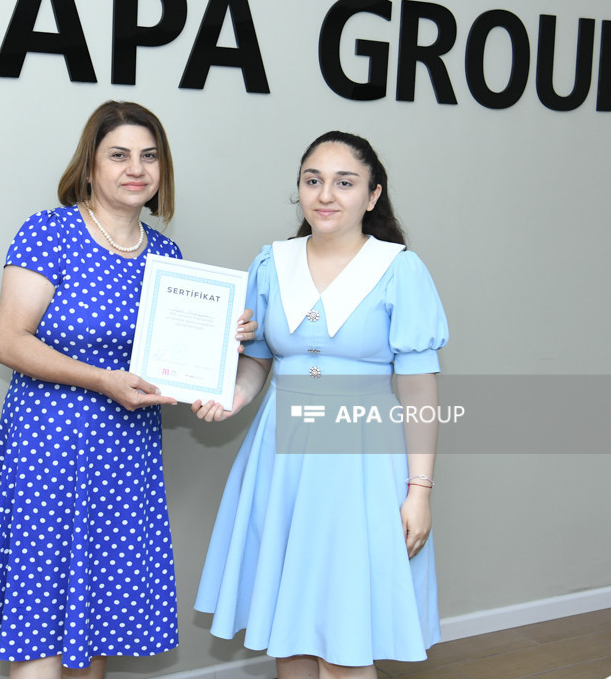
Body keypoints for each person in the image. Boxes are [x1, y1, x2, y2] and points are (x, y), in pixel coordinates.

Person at [0, 101, 255, 679]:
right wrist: (101, 380)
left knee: (97, 615)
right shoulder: (49, 232)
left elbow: (171, 361)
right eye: (119, 155)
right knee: (38, 612)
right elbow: (8, 341)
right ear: (91, 164)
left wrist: (228, 338)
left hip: (125, 454)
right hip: (48, 446)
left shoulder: (167, 256)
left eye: (149, 156)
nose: (136, 169)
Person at [191, 131, 448, 679]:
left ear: (372, 196)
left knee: (343, 642)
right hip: (281, 456)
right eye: (313, 181)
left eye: (344, 182)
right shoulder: (271, 263)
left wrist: (419, 491)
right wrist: (233, 397)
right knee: (292, 634)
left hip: (361, 460)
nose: (325, 195)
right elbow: (258, 360)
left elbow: (420, 392)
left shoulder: (399, 269)